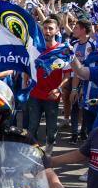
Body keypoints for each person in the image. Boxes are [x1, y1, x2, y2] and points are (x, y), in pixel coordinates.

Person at [26, 17, 70, 155]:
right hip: (35, 94)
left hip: (52, 96)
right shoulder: (35, 48)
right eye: (45, 28)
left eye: (51, 28)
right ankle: (30, 155)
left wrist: (59, 89)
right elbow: (28, 68)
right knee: (32, 127)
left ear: (57, 30)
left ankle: (48, 156)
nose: (47, 31)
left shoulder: (63, 50)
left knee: (51, 132)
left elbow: (67, 75)